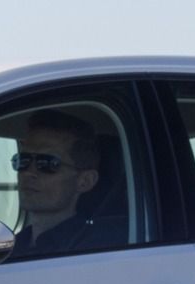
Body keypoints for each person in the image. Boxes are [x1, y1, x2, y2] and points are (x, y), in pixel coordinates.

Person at [10, 109, 116, 256]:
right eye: (23, 160)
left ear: (85, 181)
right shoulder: (11, 247)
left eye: (47, 163)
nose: (28, 172)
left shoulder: (97, 252)